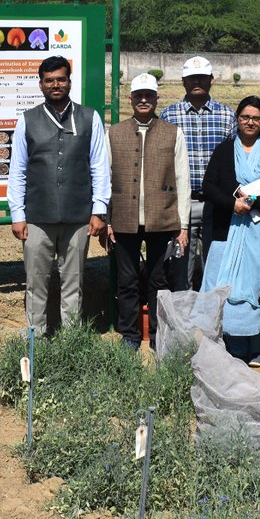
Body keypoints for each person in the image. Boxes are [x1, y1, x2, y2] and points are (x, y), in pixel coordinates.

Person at [7, 55, 109, 335]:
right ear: (40, 84)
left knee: (73, 281)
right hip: (38, 216)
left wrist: (99, 210)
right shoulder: (27, 121)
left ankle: (71, 340)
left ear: (69, 82)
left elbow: (100, 165)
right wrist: (18, 215)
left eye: (61, 79)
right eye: (49, 80)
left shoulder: (90, 117)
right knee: (35, 280)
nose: (56, 85)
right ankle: (35, 337)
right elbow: (17, 171)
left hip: (78, 216)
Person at [104, 73, 189, 351]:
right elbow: (105, 178)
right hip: (124, 220)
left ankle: (156, 335)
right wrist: (107, 219)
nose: (143, 100)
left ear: (156, 99)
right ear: (130, 99)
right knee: (126, 281)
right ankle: (129, 334)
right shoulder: (114, 133)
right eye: (138, 95)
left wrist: (183, 225)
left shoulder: (172, 132)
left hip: (162, 219)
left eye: (148, 95)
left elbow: (182, 179)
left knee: (159, 281)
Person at [200, 97, 260, 364]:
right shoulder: (224, 150)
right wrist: (232, 203)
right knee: (227, 286)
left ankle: (259, 347)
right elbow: (209, 186)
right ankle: (231, 344)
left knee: (258, 286)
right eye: (245, 117)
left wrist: (250, 202)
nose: (250, 122)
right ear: (237, 119)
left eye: (256, 118)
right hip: (227, 230)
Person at [159, 56, 236, 291]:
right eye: (192, 78)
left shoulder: (226, 115)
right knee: (182, 265)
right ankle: (184, 315)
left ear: (211, 80)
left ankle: (214, 316)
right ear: (183, 81)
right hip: (184, 202)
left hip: (217, 202)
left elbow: (233, 159)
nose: (197, 82)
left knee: (216, 262)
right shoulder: (169, 116)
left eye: (202, 77)